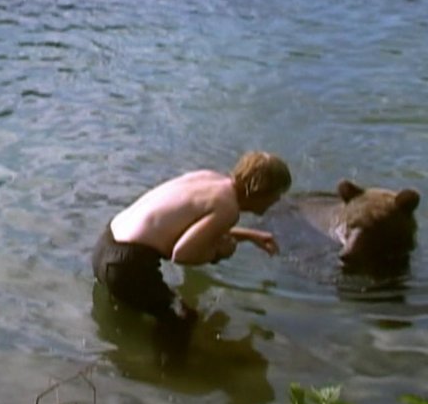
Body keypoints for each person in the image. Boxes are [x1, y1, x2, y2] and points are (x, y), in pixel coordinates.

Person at [91, 151, 292, 362]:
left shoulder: (211, 179)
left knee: (155, 303)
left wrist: (250, 236)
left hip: (106, 246)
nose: (276, 201)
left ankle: (129, 339)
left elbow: (184, 228)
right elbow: (182, 253)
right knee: (182, 317)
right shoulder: (229, 208)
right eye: (276, 194)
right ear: (259, 191)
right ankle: (169, 376)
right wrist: (218, 253)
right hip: (126, 265)